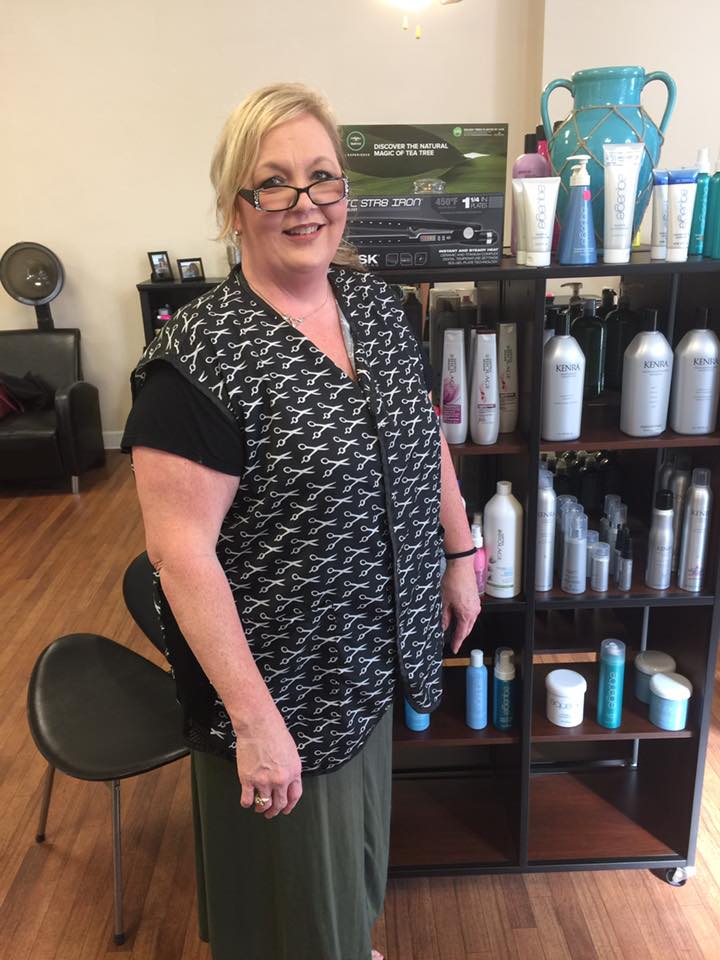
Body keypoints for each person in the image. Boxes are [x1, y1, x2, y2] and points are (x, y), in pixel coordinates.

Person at [122, 82, 480, 960]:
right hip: (280, 689)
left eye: (322, 176)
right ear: (233, 208)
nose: (304, 201)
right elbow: (180, 555)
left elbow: (420, 434)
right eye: (273, 182)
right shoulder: (198, 360)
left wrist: (458, 551)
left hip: (367, 656)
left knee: (350, 869)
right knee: (288, 912)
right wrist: (254, 722)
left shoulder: (378, 309)